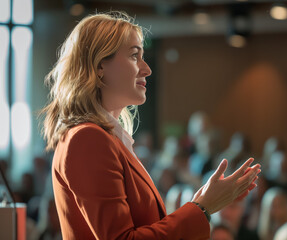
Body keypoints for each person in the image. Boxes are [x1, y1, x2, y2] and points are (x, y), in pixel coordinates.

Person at [40, 11, 261, 239]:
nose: (146, 68)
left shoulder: (106, 138)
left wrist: (201, 201)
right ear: (99, 66)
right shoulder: (88, 139)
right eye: (135, 56)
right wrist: (202, 208)